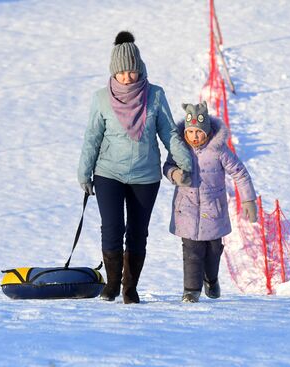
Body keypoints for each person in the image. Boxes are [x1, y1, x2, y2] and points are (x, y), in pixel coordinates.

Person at [77, 31, 192, 304]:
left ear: (139, 68)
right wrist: (84, 171)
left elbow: (168, 133)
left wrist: (185, 162)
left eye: (132, 71)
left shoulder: (154, 95)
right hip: (109, 173)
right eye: (121, 72)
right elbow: (92, 136)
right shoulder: (101, 98)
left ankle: (130, 288)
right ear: (113, 72)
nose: (127, 77)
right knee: (112, 228)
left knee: (138, 232)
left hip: (145, 175)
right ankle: (111, 285)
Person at [163, 101, 257, 303]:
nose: (194, 137)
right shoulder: (180, 149)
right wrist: (175, 174)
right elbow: (167, 166)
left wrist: (249, 200)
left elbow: (239, 173)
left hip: (213, 211)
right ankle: (191, 291)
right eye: (190, 133)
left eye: (198, 133)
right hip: (186, 210)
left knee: (213, 250)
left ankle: (211, 279)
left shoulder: (219, 150)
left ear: (206, 132)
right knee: (191, 252)